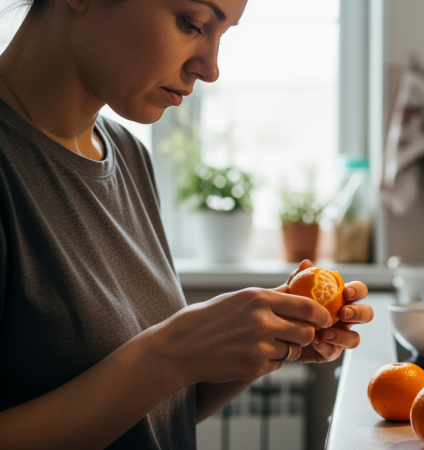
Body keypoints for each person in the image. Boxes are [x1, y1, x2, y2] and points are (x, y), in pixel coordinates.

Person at [0, 0, 374, 448]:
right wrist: (169, 354)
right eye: (192, 24)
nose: (211, 69)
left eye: (223, 35)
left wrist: (268, 335)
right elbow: (155, 368)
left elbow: (148, 415)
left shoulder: (127, 155)